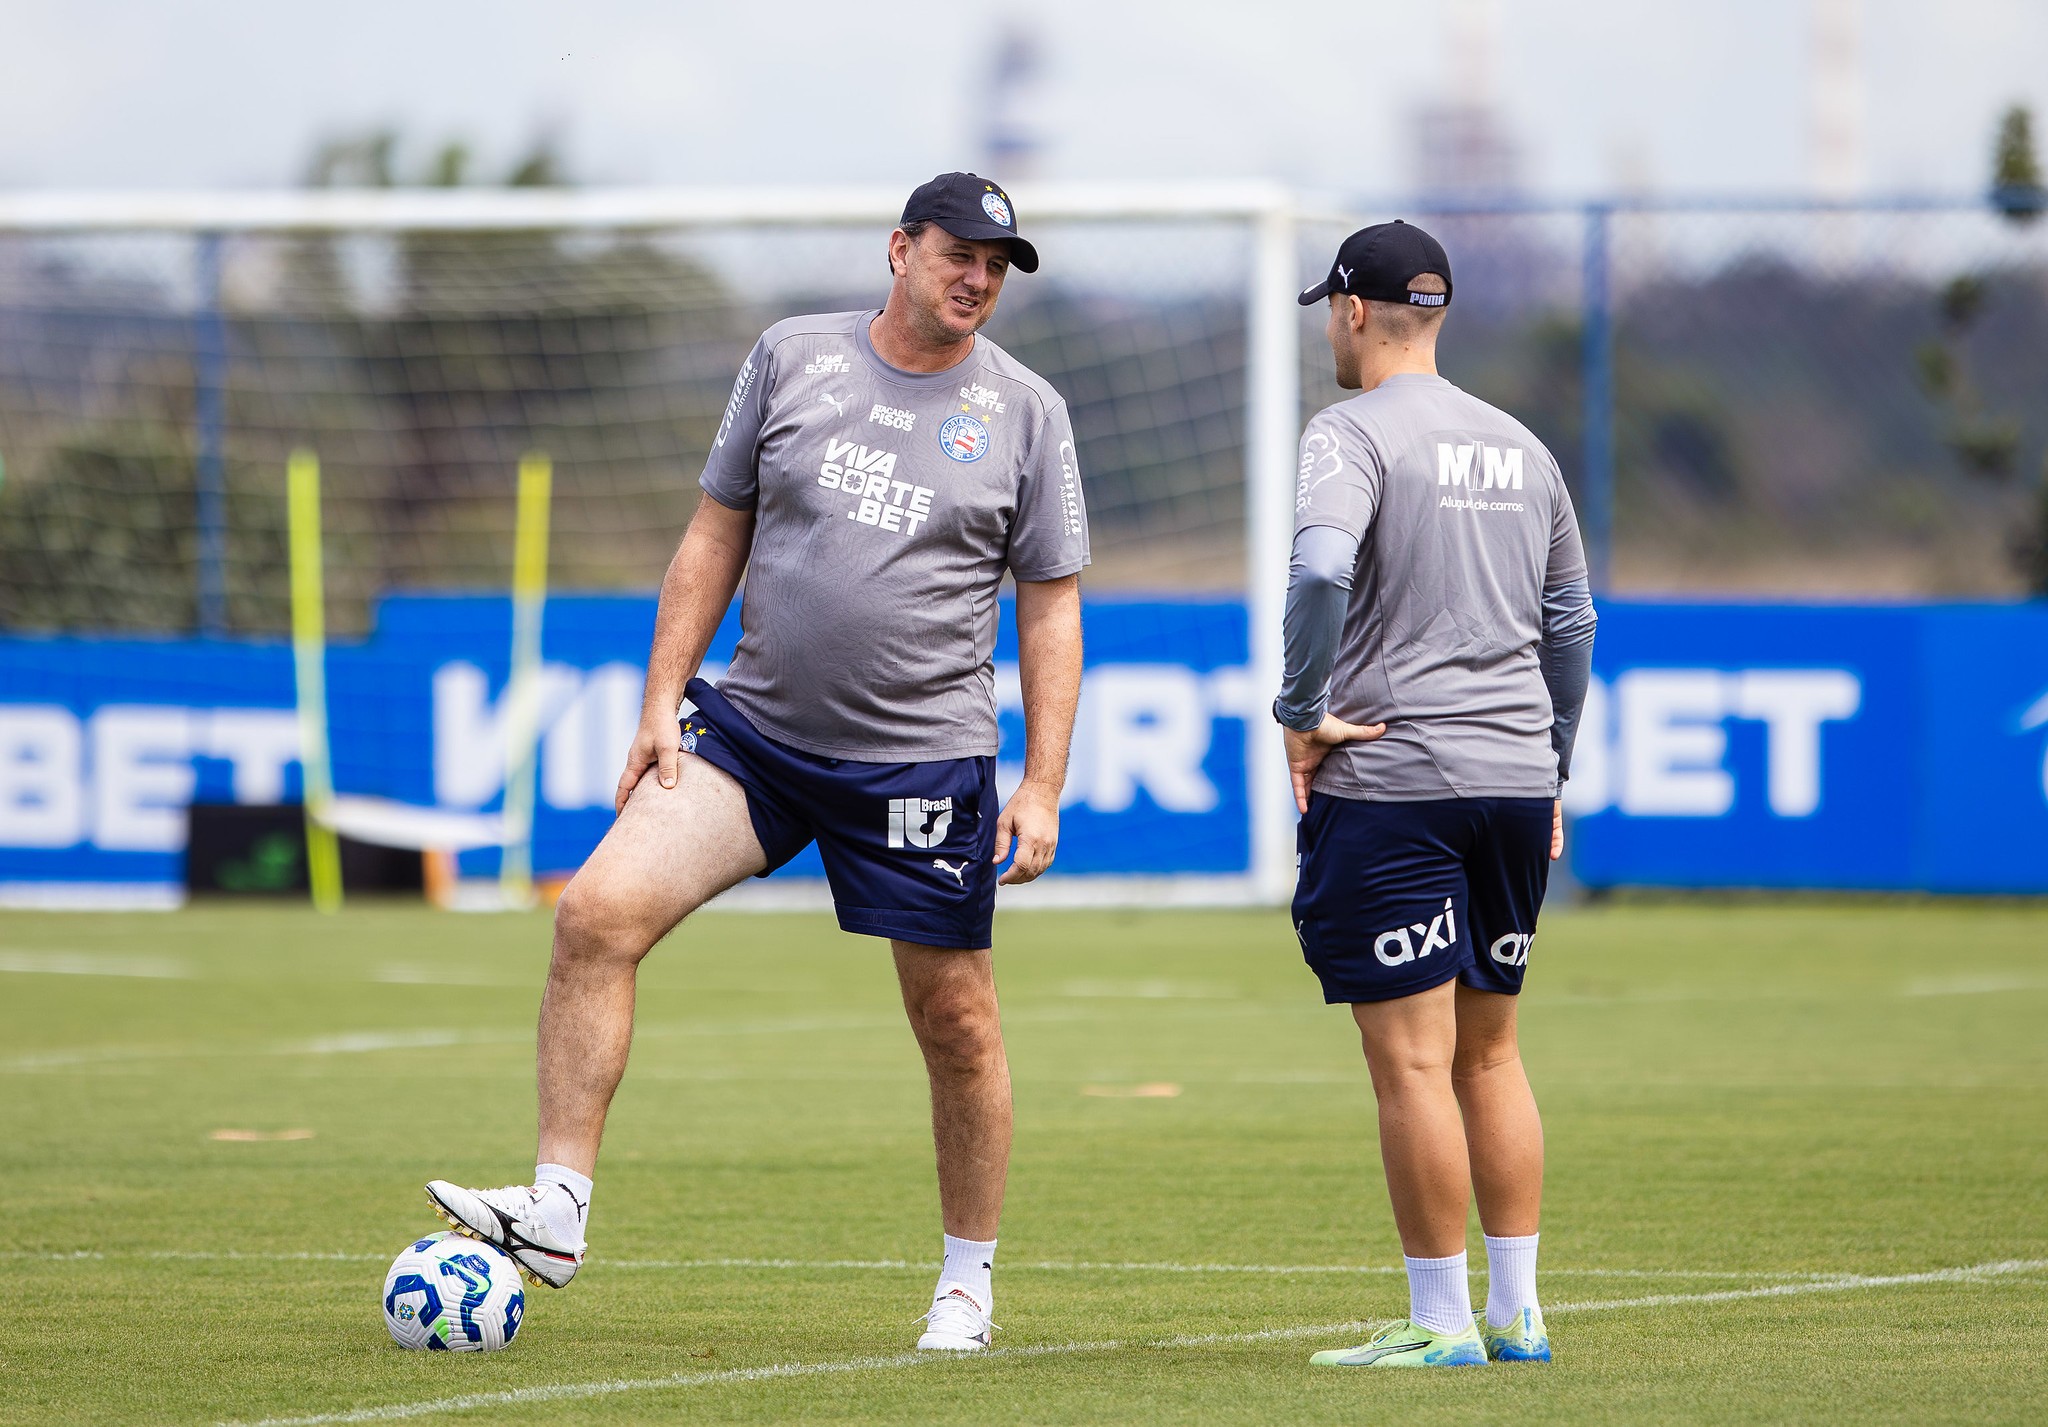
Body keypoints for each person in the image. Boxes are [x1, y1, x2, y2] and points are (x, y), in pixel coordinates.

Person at [424, 173, 1089, 1354]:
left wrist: (1039, 780)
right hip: (755, 735)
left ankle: (965, 1284)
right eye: (959, 252)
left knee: (957, 1021)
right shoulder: (791, 356)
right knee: (593, 912)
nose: (978, 276)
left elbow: (1048, 607)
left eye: (998, 262)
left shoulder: (1027, 410)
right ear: (900, 249)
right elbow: (712, 533)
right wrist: (657, 700)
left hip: (919, 766)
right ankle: (558, 1208)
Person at [1273, 220, 1597, 1368]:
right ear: (1438, 314)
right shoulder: (1520, 443)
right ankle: (1516, 1311)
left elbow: (1318, 567)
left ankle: (1441, 1321)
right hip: (1513, 778)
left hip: (1398, 777)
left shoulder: (1345, 431)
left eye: (1329, 308)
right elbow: (1570, 623)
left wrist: (1296, 709)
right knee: (1490, 1053)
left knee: (1411, 1062)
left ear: (1351, 311)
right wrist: (1548, 762)